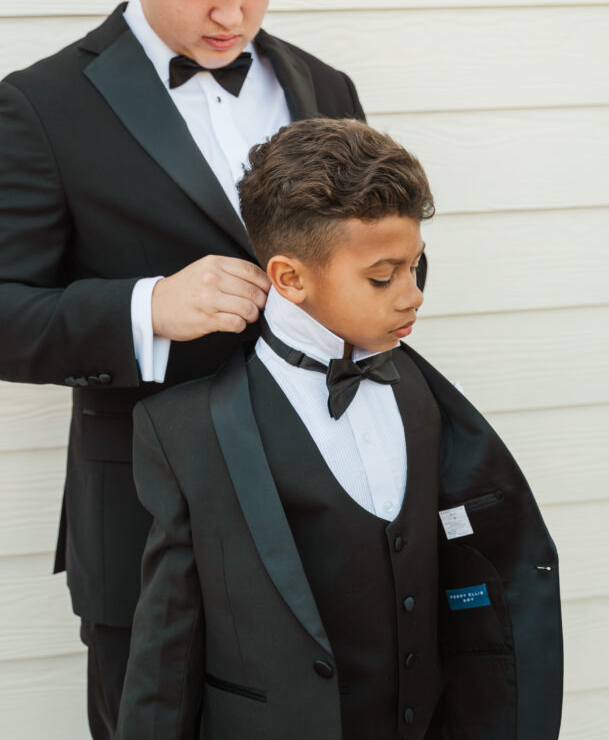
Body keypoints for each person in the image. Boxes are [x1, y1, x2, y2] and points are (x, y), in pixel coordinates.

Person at [0, 0, 368, 739]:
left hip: (323, 517)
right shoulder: (45, 105)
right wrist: (148, 308)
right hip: (149, 532)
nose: (232, 15)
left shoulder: (325, 87)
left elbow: (371, 259)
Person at [116, 118, 563, 740]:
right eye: (382, 277)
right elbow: (167, 655)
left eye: (417, 268)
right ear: (290, 277)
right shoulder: (187, 433)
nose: (412, 296)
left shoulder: (430, 400)